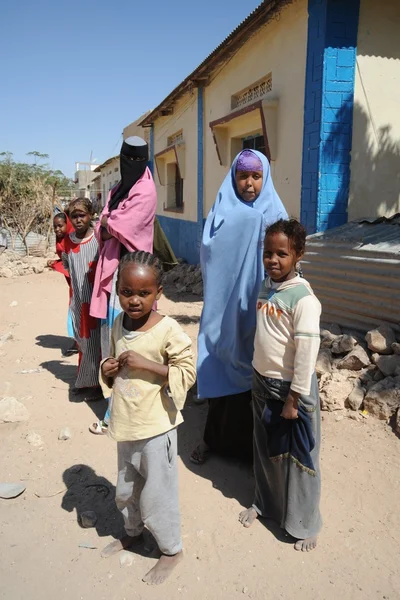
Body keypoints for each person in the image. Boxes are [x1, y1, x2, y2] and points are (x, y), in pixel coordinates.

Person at [99, 251, 196, 585]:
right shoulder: (117, 323)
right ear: (117, 289)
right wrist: (107, 369)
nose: (134, 300)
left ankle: (171, 550)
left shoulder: (168, 328)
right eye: (127, 292)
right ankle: (133, 531)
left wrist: (148, 365)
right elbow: (111, 364)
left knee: (159, 493)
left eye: (143, 293)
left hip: (157, 428)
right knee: (127, 488)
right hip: (126, 424)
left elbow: (187, 371)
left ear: (159, 292)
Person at [191, 149, 287, 464]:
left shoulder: (276, 214)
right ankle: (214, 440)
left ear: (265, 178)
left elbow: (287, 259)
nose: (249, 183)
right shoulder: (223, 211)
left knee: (257, 374)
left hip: (261, 309)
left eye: (256, 177)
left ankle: (252, 453)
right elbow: (209, 252)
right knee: (221, 359)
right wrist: (244, 223)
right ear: (233, 178)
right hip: (226, 307)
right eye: (242, 176)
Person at [239, 218, 322, 552]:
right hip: (262, 383)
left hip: (291, 392)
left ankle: (305, 524)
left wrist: (294, 399)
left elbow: (306, 355)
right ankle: (266, 505)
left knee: (300, 459)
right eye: (267, 253)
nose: (272, 260)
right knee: (265, 451)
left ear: (298, 255)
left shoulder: (304, 300)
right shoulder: (266, 286)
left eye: (281, 254)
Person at [89, 136, 157, 434]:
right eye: (127, 159)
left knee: (133, 341)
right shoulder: (117, 189)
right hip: (114, 272)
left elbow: (119, 225)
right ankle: (115, 405)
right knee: (114, 338)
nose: (132, 165)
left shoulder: (146, 190)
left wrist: (108, 222)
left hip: (136, 279)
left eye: (138, 160)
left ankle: (125, 409)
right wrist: (108, 223)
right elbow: (102, 226)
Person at [62, 198, 101, 395]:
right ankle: (84, 379)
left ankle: (96, 385)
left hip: (97, 299)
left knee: (96, 341)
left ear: (91, 215)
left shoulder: (98, 237)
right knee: (83, 340)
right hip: (78, 300)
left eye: (82, 215)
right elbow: (67, 265)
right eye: (74, 216)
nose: (78, 220)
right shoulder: (68, 241)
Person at [48, 213, 78, 355]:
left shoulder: (74, 239)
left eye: (60, 225)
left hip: (82, 282)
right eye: (55, 227)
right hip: (74, 283)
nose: (57, 229)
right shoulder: (61, 240)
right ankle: (78, 341)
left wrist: (58, 264)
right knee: (75, 309)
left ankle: (80, 342)